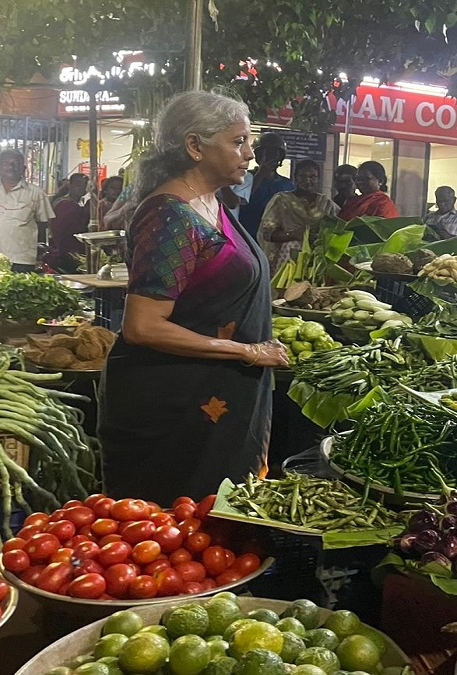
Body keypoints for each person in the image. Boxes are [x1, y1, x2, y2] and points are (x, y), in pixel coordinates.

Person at [98, 90, 289, 503]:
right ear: (194, 146)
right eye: (238, 141)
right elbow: (143, 326)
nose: (251, 154)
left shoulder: (209, 202)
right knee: (174, 533)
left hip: (211, 398)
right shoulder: (170, 215)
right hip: (174, 407)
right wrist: (246, 351)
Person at [0, 149, 54, 272]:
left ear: (23, 168)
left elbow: (43, 223)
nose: (11, 167)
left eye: (16, 163)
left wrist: (40, 250)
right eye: (6, 163)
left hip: (19, 259)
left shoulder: (36, 193)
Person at [257, 159, 338, 274]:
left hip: (317, 259)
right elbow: (267, 233)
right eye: (302, 176)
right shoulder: (281, 200)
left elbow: (335, 231)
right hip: (288, 257)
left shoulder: (326, 204)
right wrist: (293, 235)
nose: (307, 180)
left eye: (312, 176)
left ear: (318, 179)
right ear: (295, 177)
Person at [237, 132, 294, 240]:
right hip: (247, 236)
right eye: (266, 154)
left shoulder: (287, 184)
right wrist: (261, 174)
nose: (271, 157)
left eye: (275, 154)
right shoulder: (245, 177)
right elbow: (240, 201)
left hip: (274, 239)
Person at [44, 173, 91, 273]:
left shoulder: (77, 202)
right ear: (69, 185)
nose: (82, 188)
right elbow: (66, 232)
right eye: (78, 184)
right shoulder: (66, 205)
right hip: (66, 252)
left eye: (85, 185)